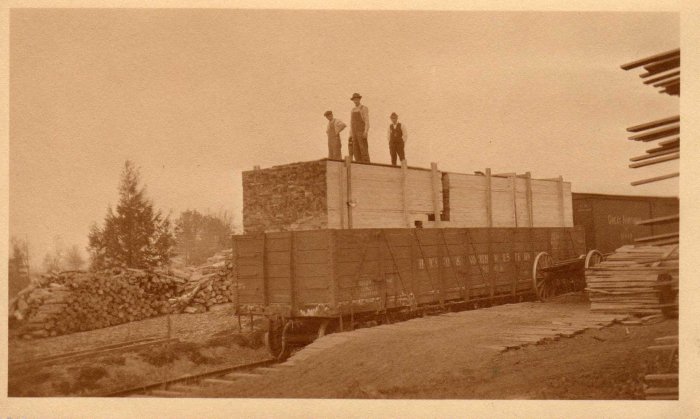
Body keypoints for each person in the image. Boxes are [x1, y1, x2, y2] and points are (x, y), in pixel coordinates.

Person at [349, 93, 370, 162]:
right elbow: (351, 123)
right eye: (354, 99)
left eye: (357, 99)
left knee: (363, 148)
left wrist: (365, 132)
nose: (355, 101)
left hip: (361, 132)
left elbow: (367, 121)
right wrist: (350, 134)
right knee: (355, 149)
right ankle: (358, 163)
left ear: (359, 99)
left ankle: (366, 164)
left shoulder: (363, 108)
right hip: (354, 133)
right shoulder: (352, 110)